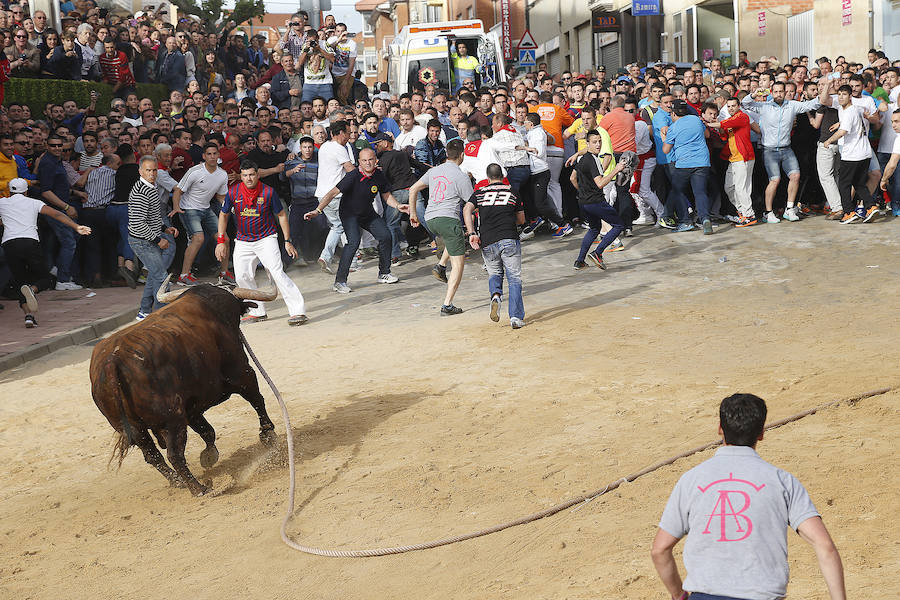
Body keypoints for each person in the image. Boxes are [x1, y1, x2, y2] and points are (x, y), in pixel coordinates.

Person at [651, 393, 847, 600]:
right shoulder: (782, 481)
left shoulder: (691, 480)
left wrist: (679, 595)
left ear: (720, 428)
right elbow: (825, 547)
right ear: (761, 433)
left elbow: (660, 550)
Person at [216, 160, 308, 325]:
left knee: (277, 273)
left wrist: (287, 241)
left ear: (257, 175)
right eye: (245, 175)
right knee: (243, 277)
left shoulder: (268, 192)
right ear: (241, 176)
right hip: (243, 241)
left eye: (251, 174)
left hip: (267, 238)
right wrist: (221, 240)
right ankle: (256, 312)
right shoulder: (233, 192)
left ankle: (297, 311)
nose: (248, 178)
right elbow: (223, 215)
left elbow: (281, 215)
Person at [304, 148, 408, 293]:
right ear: (359, 162)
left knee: (385, 236)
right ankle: (340, 282)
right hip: (349, 214)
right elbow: (332, 193)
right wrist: (318, 210)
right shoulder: (353, 176)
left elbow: (386, 195)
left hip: (367, 213)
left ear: (375, 160)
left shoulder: (379, 175)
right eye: (364, 160)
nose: (368, 163)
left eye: (370, 159)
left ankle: (384, 273)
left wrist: (398, 205)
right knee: (353, 242)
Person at [0, 178, 91, 327]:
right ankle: (33, 289)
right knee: (45, 279)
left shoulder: (2, 202)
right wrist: (76, 227)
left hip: (10, 245)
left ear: (10, 191)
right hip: (30, 243)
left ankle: (29, 316)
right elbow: (56, 214)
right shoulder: (34, 203)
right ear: (26, 192)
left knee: (20, 282)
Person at [408, 139, 474, 315]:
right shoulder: (461, 175)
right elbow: (471, 203)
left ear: (446, 154)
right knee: (459, 265)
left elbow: (413, 189)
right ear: (462, 155)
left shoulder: (434, 171)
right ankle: (447, 304)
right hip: (448, 219)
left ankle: (441, 265)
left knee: (454, 238)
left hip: (430, 219)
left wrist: (413, 214)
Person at [464, 163, 526, 329]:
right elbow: (521, 220)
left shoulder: (479, 193)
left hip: (488, 240)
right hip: (509, 238)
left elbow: (466, 209)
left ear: (488, 177)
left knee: (495, 273)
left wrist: (471, 233)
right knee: (514, 278)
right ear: (502, 175)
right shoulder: (512, 192)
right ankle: (515, 317)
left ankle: (496, 296)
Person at [170, 142, 233, 285]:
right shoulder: (194, 171)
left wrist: (231, 208)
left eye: (214, 153)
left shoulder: (222, 174)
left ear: (218, 155)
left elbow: (221, 196)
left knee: (225, 239)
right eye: (209, 154)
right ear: (204, 156)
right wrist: (176, 207)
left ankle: (224, 273)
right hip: (189, 209)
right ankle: (184, 276)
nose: (212, 157)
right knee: (198, 239)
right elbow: (178, 191)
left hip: (206, 208)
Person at [128, 155, 179, 320]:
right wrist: (159, 239)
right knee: (162, 278)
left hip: (147, 239)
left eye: (154, 170)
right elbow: (138, 224)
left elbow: (153, 216)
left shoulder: (151, 186)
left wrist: (165, 228)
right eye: (148, 170)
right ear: (140, 171)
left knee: (154, 275)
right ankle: (160, 316)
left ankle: (144, 311)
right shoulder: (141, 191)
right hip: (142, 241)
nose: (152, 173)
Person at [570, 130, 626, 270]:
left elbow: (572, 178)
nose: (598, 144)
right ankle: (598, 253)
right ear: (587, 143)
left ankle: (580, 261)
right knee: (618, 225)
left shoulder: (583, 159)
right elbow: (600, 183)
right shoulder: (592, 160)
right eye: (594, 142)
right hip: (596, 201)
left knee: (594, 229)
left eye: (600, 141)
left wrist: (582, 192)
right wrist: (616, 169)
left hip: (584, 202)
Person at [823, 85, 878, 224]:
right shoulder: (854, 109)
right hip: (864, 153)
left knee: (844, 184)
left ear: (850, 96)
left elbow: (843, 132)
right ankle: (870, 206)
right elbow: (851, 122)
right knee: (859, 183)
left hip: (853, 154)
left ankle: (849, 212)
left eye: (844, 94)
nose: (841, 97)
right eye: (839, 94)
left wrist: (828, 140)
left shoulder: (849, 111)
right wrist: (839, 124)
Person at [663, 101, 714, 234]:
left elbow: (666, 150)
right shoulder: (696, 120)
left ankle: (685, 221)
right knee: (700, 192)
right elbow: (707, 135)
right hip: (702, 162)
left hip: (684, 164)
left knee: (678, 191)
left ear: (673, 114)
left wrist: (664, 137)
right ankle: (705, 219)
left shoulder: (673, 128)